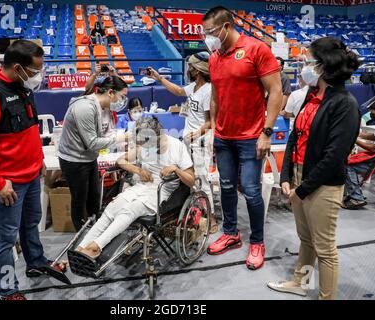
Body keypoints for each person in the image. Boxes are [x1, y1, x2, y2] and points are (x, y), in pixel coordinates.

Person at [0, 40, 66, 301]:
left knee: (31, 225)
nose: (38, 76)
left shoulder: (24, 88)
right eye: (35, 71)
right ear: (18, 67)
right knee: (5, 239)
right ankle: (7, 290)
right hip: (8, 184)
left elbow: (29, 129)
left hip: (31, 175)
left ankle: (36, 261)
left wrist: (38, 159)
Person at [267, 37, 361, 300]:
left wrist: (303, 188)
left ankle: (326, 297)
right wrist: (287, 175)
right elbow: (296, 136)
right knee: (306, 240)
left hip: (323, 186)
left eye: (307, 61)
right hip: (300, 177)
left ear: (323, 66)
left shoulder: (345, 104)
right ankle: (301, 282)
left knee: (325, 248)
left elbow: (334, 156)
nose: (303, 66)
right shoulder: (311, 94)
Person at [202, 6, 283, 270]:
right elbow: (215, 96)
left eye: (210, 32)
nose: (208, 37)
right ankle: (231, 233)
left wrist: (266, 133)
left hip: (251, 138)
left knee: (250, 191)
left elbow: (276, 92)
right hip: (224, 138)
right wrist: (214, 127)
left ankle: (257, 241)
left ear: (226, 27)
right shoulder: (214, 57)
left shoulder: (257, 49)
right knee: (225, 187)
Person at [76, 117, 195, 259]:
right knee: (112, 207)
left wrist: (176, 169)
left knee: (130, 210)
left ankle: (96, 247)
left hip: (162, 191)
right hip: (141, 186)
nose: (144, 147)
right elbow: (120, 161)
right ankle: (81, 247)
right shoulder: (145, 143)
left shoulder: (177, 147)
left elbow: (191, 180)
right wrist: (139, 171)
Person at [147, 52, 217, 233]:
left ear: (198, 71)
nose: (189, 70)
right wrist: (159, 78)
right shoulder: (193, 86)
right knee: (189, 179)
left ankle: (212, 218)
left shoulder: (209, 90)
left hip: (199, 141)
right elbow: (178, 91)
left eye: (192, 67)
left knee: (201, 180)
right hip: (188, 140)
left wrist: (197, 133)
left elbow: (211, 121)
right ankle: (197, 211)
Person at [58, 76, 131, 231]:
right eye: (122, 96)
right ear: (111, 92)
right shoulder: (85, 107)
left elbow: (106, 134)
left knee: (94, 199)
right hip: (74, 161)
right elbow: (92, 143)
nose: (123, 101)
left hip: (89, 158)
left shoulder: (105, 108)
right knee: (80, 201)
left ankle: (94, 233)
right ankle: (81, 238)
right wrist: (121, 138)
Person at [343, 96, 375, 210]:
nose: (371, 114)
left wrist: (354, 139)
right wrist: (357, 133)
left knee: (347, 164)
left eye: (372, 111)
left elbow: (373, 148)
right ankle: (354, 192)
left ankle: (356, 198)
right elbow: (374, 136)